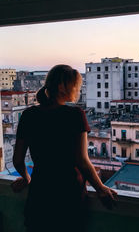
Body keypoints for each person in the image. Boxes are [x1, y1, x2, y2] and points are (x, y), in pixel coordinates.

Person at [11, 64, 118, 232]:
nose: (78, 89)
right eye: (76, 85)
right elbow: (82, 161)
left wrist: (25, 178)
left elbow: (17, 160)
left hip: (40, 194)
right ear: (62, 87)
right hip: (68, 194)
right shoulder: (74, 115)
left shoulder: (28, 115)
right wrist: (100, 188)